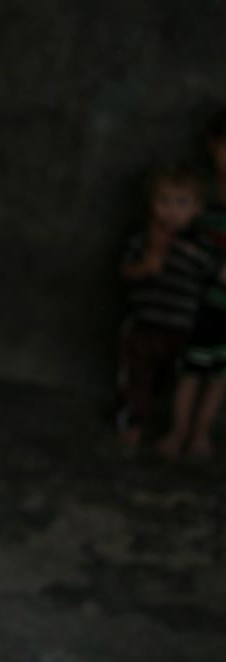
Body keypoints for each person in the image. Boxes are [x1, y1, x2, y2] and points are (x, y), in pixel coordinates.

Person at [118, 165, 215, 447]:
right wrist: (147, 265)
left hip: (182, 329)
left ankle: (172, 429)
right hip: (145, 326)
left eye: (181, 202)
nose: (171, 210)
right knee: (137, 378)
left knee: (171, 381)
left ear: (197, 208)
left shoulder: (199, 249)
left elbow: (215, 274)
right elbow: (125, 270)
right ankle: (132, 423)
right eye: (163, 201)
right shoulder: (144, 241)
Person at [157, 112, 226, 458]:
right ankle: (179, 430)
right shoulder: (200, 197)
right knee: (190, 371)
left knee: (218, 377)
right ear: (214, 147)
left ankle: (201, 434)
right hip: (198, 305)